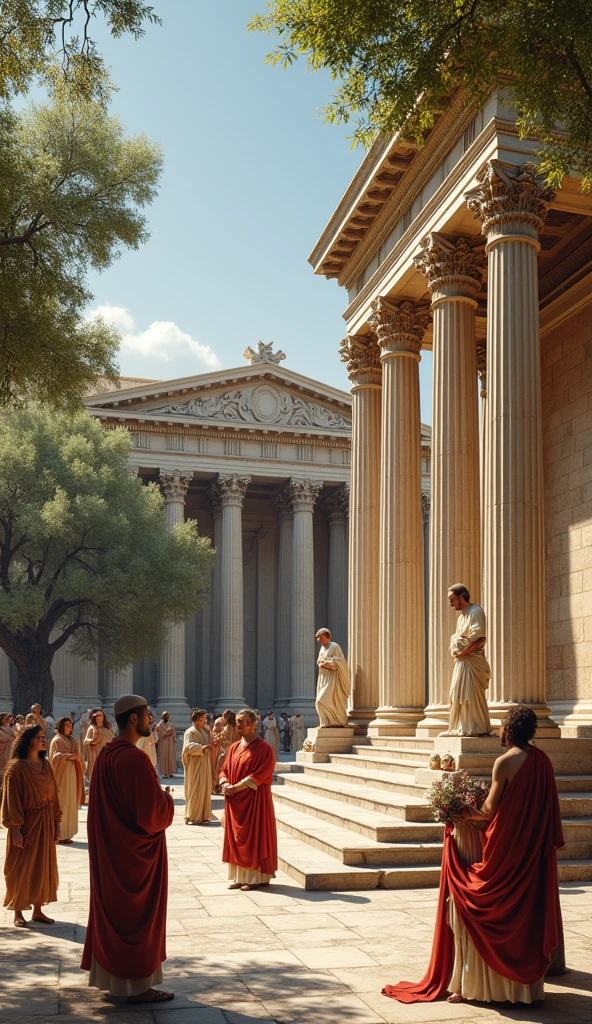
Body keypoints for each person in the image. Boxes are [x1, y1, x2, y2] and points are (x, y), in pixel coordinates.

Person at [383, 705, 564, 1006]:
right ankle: (522, 988)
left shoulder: (504, 763)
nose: (500, 731)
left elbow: (490, 812)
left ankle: (472, 985)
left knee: (466, 894)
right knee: (523, 917)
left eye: (503, 725)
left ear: (510, 730)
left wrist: (459, 811)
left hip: (505, 858)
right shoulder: (543, 761)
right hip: (531, 858)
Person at [82, 694, 175, 1004]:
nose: (151, 719)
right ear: (134, 719)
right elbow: (151, 817)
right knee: (137, 919)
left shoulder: (107, 756)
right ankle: (138, 986)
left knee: (117, 914)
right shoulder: (134, 759)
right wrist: (167, 801)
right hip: (135, 860)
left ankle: (115, 981)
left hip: (112, 857)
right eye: (147, 715)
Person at [1, 724, 62, 927]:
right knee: (20, 866)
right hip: (25, 824)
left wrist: (57, 822)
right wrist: (15, 829)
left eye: (45, 737)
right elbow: (11, 801)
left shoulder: (46, 765)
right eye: (39, 737)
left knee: (42, 866)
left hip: (45, 823)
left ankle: (37, 910)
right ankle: (18, 910)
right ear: (28, 741)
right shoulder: (16, 768)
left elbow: (54, 796)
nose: (44, 740)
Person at [220, 707, 278, 892]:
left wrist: (235, 788)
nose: (237, 724)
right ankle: (240, 876)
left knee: (254, 837)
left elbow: (260, 775)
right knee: (237, 839)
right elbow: (224, 770)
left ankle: (256, 878)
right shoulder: (233, 747)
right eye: (237, 721)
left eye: (241, 721)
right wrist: (223, 783)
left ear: (252, 725)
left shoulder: (264, 749)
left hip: (255, 802)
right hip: (235, 802)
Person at [444, 584, 492, 736]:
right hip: (462, 662)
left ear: (463, 596)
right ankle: (460, 727)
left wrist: (461, 649)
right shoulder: (461, 618)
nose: (450, 603)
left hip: (472, 663)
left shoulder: (476, 612)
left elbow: (477, 639)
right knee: (457, 695)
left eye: (452, 599)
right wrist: (457, 645)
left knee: (470, 695)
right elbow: (457, 641)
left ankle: (475, 728)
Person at [49, 717, 85, 842]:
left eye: (70, 724)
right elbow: (54, 757)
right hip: (62, 774)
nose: (70, 726)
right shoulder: (57, 740)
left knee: (71, 801)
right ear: (61, 726)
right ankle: (59, 834)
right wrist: (69, 756)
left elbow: (79, 756)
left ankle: (68, 833)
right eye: (67, 725)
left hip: (72, 773)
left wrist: (76, 757)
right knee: (62, 800)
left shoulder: (74, 740)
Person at [182, 709, 219, 825]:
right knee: (195, 788)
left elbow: (208, 742)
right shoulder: (190, 732)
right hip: (195, 764)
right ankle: (191, 815)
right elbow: (188, 747)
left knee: (204, 788)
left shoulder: (203, 731)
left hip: (204, 762)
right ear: (197, 720)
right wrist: (201, 748)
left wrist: (214, 743)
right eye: (203, 719)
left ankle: (202, 815)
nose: (205, 721)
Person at [315, 628, 350, 728]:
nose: (319, 641)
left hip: (332, 679)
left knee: (321, 700)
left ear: (327, 637)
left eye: (320, 638)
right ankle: (327, 722)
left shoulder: (334, 646)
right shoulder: (322, 648)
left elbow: (341, 662)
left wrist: (329, 663)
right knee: (319, 702)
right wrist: (321, 663)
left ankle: (337, 720)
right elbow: (319, 660)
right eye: (318, 638)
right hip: (323, 677)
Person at [212, 709, 239, 792]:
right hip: (236, 751)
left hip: (225, 752)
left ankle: (218, 786)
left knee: (219, 769)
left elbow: (219, 739)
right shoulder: (238, 728)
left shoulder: (226, 728)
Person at [84, 709, 111, 782]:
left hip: (105, 754)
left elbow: (111, 741)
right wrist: (93, 741)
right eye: (97, 716)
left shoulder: (107, 729)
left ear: (103, 717)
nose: (99, 717)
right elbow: (86, 741)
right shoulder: (91, 728)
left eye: (100, 715)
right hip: (94, 754)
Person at [155, 712, 177, 778]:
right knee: (163, 756)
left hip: (170, 742)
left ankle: (170, 772)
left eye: (168, 716)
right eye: (166, 716)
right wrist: (167, 732)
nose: (167, 718)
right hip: (163, 742)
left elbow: (173, 733)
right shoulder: (159, 725)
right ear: (163, 717)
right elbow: (161, 733)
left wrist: (173, 739)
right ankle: (164, 772)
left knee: (170, 756)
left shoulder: (171, 724)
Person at [0, 713, 16, 781]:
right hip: (2, 752)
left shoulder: (11, 729)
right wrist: (12, 738)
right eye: (5, 719)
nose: (7, 720)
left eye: (7, 719)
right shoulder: (1, 730)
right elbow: (4, 738)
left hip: (10, 751)